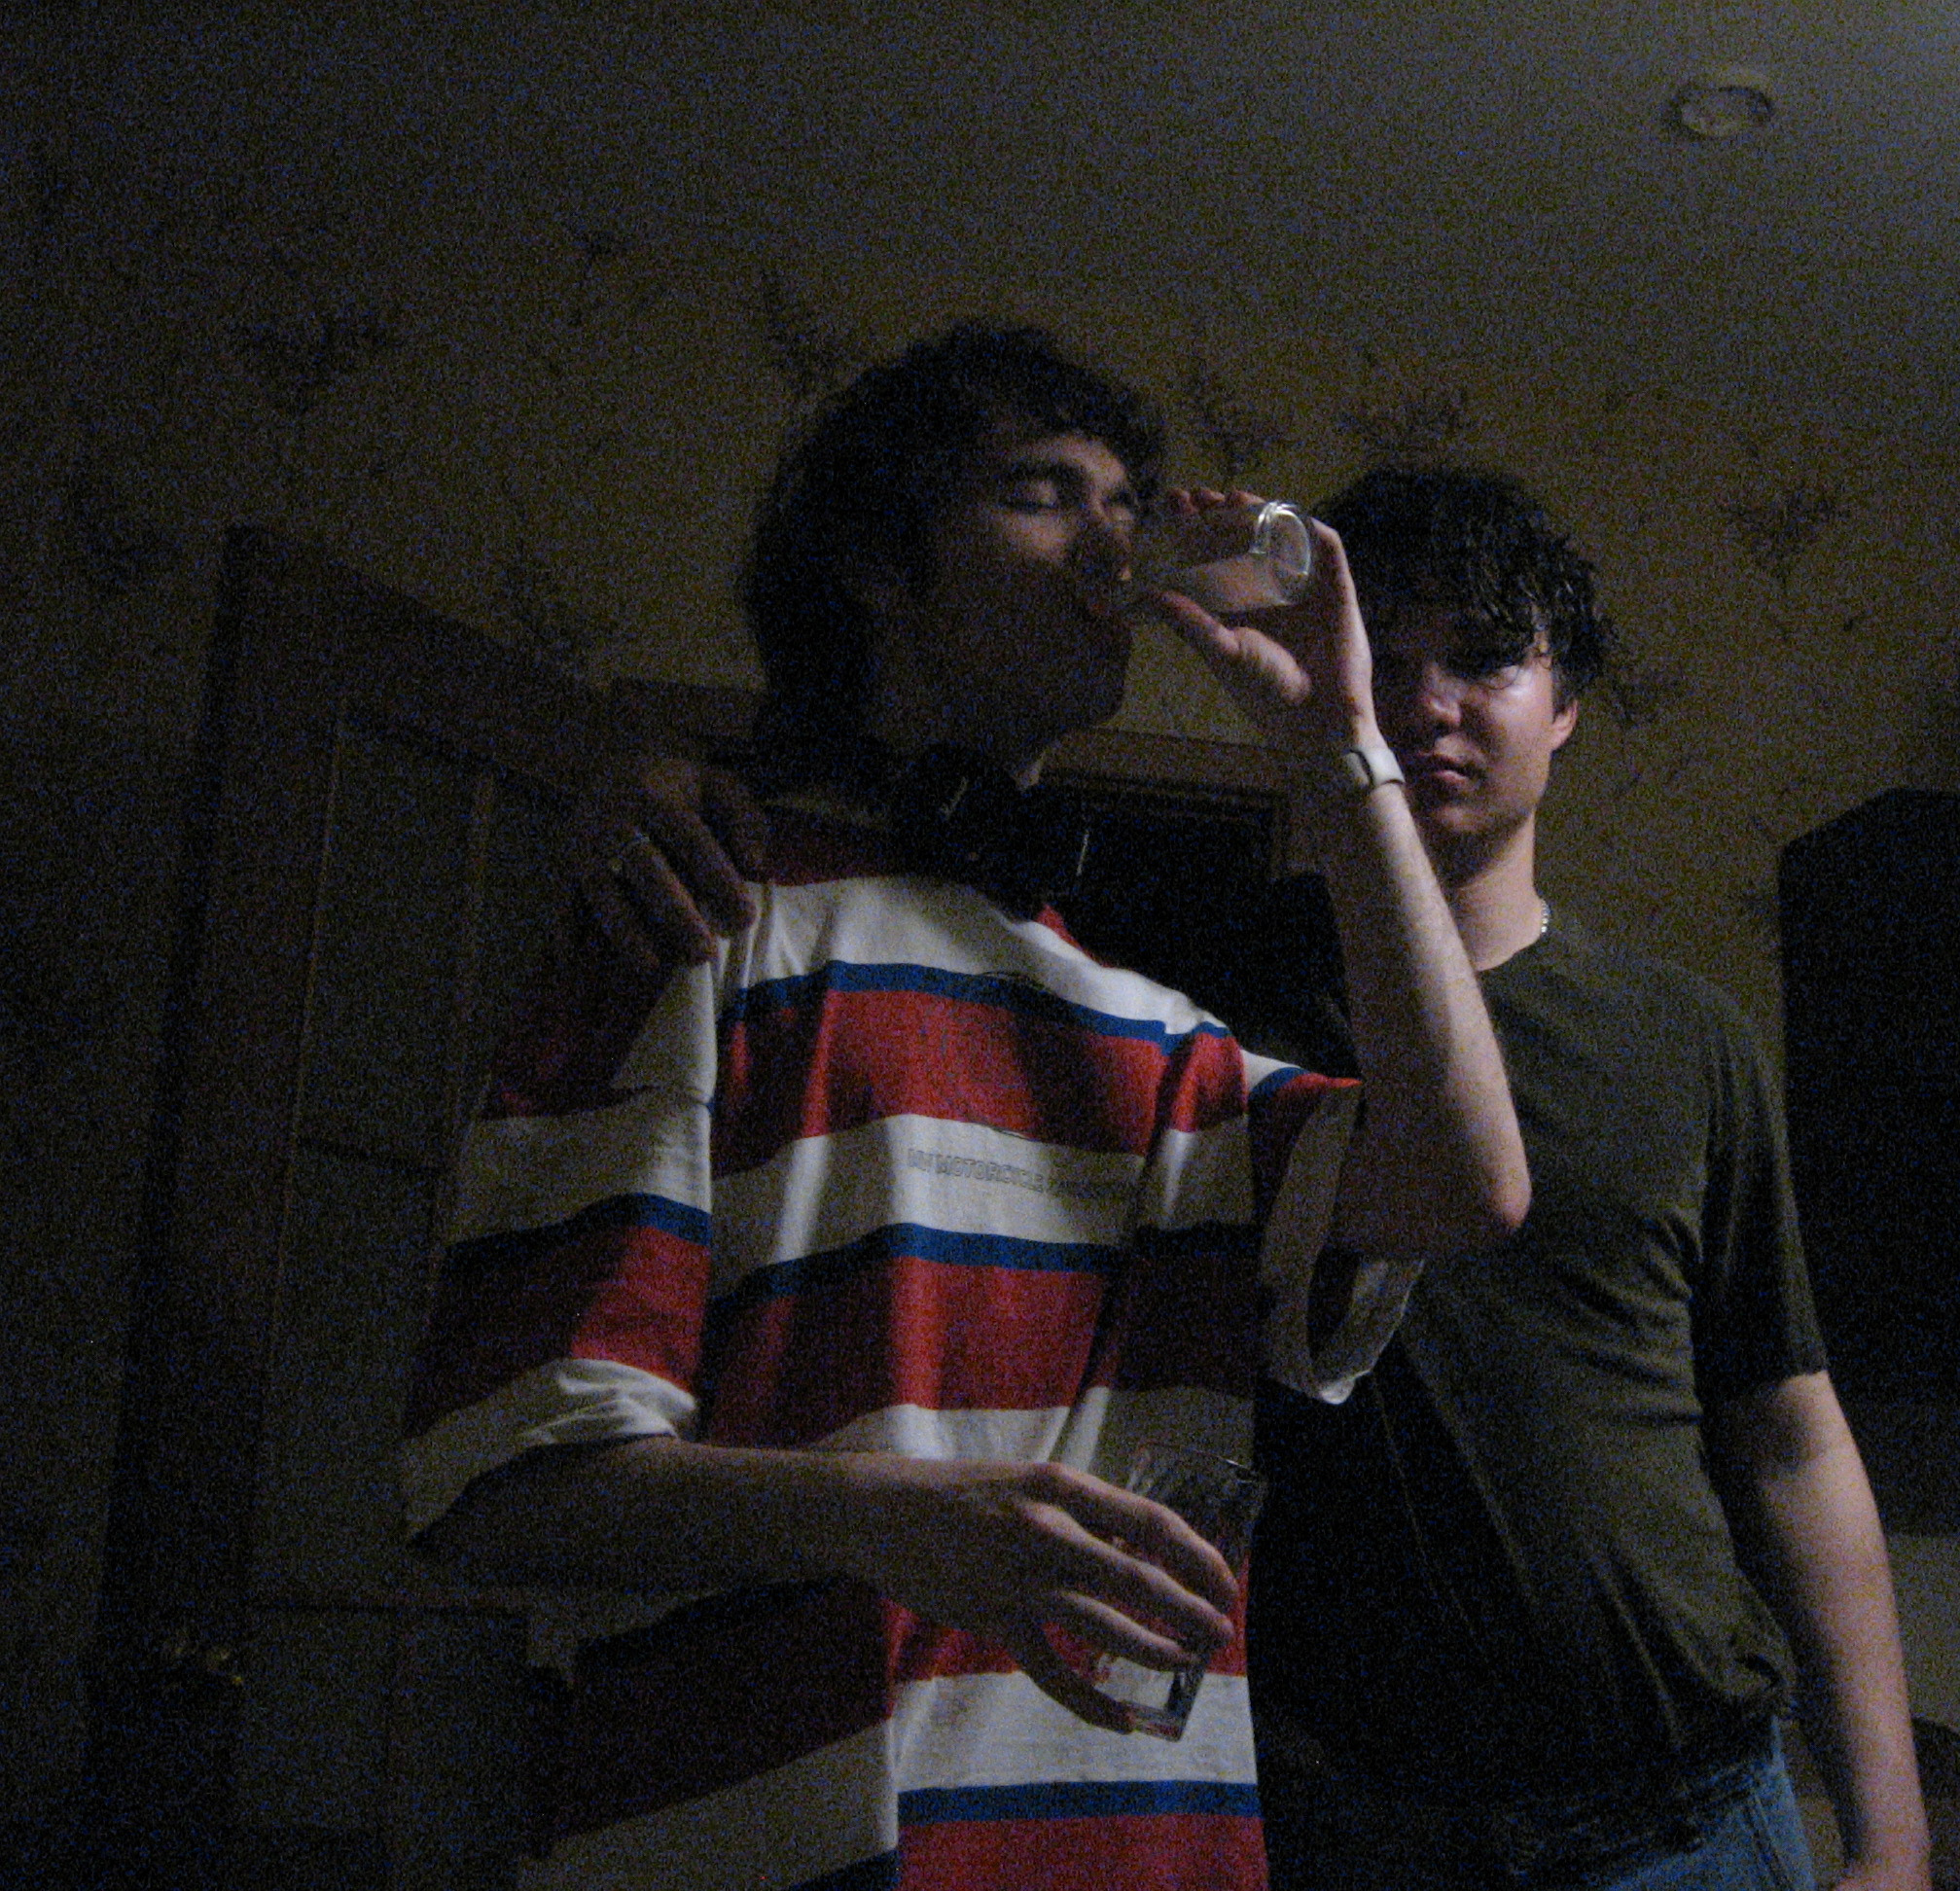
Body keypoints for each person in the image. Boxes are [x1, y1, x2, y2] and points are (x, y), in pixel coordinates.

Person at [596, 463, 1932, 1891]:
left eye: (1486, 660)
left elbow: (1789, 1438)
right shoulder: (1184, 982)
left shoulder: (1686, 1037)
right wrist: (655, 790)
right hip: (1344, 1823)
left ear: (1565, 707)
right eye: (1387, 659)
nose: (1427, 705)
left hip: (1693, 1812)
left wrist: (1893, 1830)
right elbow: (902, 854)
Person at [401, 326, 1527, 1891]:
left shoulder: (1157, 1042)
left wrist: (1339, 748)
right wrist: (894, 1522)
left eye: (1125, 504)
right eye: (1041, 493)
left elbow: (1471, 1184)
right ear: (877, 563)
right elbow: (502, 1490)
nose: (1112, 546)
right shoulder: (700, 920)